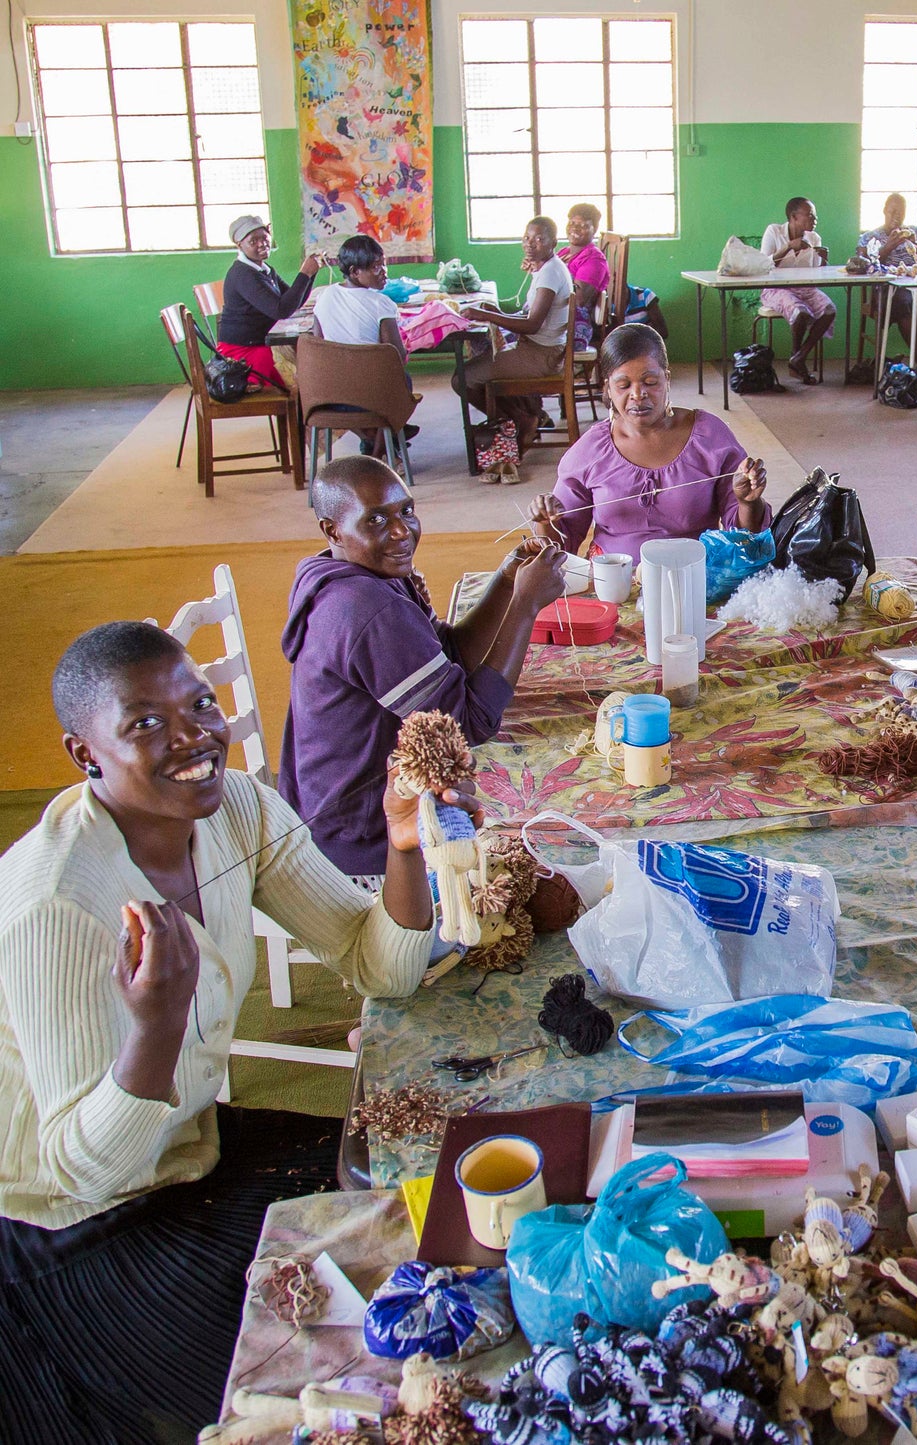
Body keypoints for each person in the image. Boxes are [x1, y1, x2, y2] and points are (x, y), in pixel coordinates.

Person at [0, 620, 469, 1441]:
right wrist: (155, 1026)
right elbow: (82, 1170)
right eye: (145, 722)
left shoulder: (237, 809)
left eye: (200, 704)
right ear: (85, 755)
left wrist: (403, 849)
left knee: (421, 1217)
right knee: (347, 1369)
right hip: (73, 1225)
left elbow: (380, 967)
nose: (193, 736)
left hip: (194, 1143)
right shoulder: (55, 904)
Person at [279, 455, 567, 877]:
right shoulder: (365, 609)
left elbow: (448, 652)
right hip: (363, 838)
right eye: (376, 520)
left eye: (407, 511)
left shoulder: (362, 573)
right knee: (544, 847)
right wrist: (526, 607)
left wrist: (507, 583)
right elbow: (468, 724)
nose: (401, 532)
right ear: (332, 529)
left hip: (327, 807)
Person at [527, 323, 768, 563]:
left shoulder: (709, 437)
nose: (637, 394)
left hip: (696, 577)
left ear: (667, 380)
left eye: (650, 382)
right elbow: (560, 546)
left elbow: (744, 541)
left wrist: (748, 502)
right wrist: (545, 521)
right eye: (623, 385)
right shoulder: (590, 451)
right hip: (612, 584)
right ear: (608, 388)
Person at [453, 216, 574, 450]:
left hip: (542, 356)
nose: (530, 243)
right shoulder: (547, 268)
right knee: (479, 366)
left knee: (461, 379)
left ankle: (520, 419)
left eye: (539, 239)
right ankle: (524, 415)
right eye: (527, 238)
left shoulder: (550, 274)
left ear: (553, 244)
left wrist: (488, 316)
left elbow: (532, 325)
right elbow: (530, 316)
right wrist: (497, 312)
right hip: (540, 349)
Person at [310, 233, 418, 454]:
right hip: (372, 397)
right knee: (401, 382)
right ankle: (379, 455)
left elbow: (317, 345)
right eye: (376, 267)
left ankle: (376, 440)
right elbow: (396, 357)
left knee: (382, 390)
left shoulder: (324, 296)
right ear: (354, 272)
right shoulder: (381, 303)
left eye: (384, 264)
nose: (384, 272)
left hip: (330, 393)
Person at [216, 213, 320, 389]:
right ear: (239, 245)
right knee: (302, 375)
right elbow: (280, 310)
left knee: (308, 362)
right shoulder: (243, 274)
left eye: (264, 238)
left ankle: (300, 414)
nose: (261, 244)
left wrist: (311, 273)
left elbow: (292, 301)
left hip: (259, 343)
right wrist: (305, 274)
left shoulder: (263, 269)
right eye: (253, 241)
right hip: (242, 353)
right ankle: (297, 413)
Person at [857, 193, 917, 369]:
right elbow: (863, 262)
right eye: (893, 212)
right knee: (903, 303)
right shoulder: (871, 236)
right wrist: (888, 246)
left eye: (901, 212)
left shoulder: (915, 231)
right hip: (891, 287)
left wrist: (914, 243)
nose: (897, 216)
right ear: (884, 211)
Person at [759, 198, 836, 385]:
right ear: (793, 217)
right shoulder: (774, 231)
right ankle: (797, 361)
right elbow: (762, 265)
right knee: (800, 312)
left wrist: (824, 260)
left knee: (829, 310)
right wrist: (787, 247)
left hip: (806, 288)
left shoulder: (814, 238)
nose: (815, 219)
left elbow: (818, 272)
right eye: (809, 215)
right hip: (776, 288)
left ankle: (799, 357)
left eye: (815, 215)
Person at [559, 203, 610, 350]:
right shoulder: (564, 252)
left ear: (594, 229)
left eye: (583, 225)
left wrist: (557, 274)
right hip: (558, 314)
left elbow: (579, 299)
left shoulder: (594, 259)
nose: (575, 228)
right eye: (572, 223)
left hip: (573, 322)